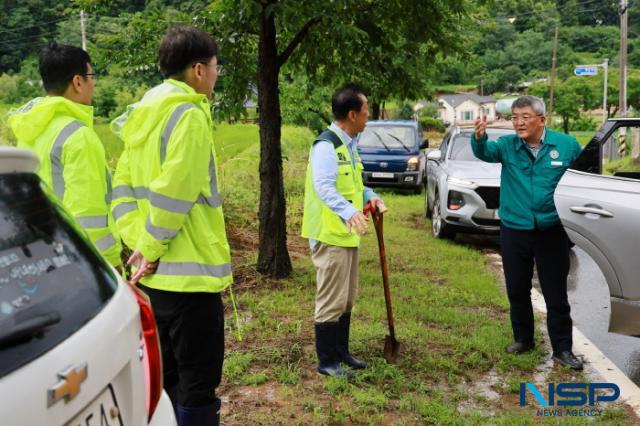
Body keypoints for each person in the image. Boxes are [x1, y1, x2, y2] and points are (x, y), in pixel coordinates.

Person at [110, 27, 231, 425]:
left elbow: (123, 191)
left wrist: (139, 246)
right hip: (191, 281)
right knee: (198, 382)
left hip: (153, 280)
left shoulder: (141, 114)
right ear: (198, 70)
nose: (216, 75)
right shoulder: (190, 115)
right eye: (215, 67)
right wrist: (153, 247)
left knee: (166, 378)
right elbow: (174, 193)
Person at [471, 95, 583, 370]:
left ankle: (563, 349)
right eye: (514, 118)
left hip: (551, 230)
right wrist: (479, 137)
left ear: (541, 120)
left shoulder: (566, 145)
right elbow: (484, 152)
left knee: (556, 292)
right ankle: (523, 339)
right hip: (515, 229)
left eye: (525, 117)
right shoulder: (507, 146)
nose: (518, 123)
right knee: (517, 289)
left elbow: (583, 178)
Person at [8, 42, 121, 268]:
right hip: (87, 262)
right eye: (92, 75)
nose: (94, 83)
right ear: (78, 82)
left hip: (47, 254)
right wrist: (108, 266)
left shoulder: (31, 130)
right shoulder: (78, 136)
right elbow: (88, 213)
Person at [301, 83, 385, 378]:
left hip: (347, 234)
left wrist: (369, 196)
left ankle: (341, 352)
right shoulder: (326, 145)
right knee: (331, 299)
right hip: (329, 234)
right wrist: (350, 213)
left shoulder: (348, 145)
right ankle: (327, 362)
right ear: (352, 114)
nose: (367, 118)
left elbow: (355, 186)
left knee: (347, 297)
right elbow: (324, 187)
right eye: (365, 112)